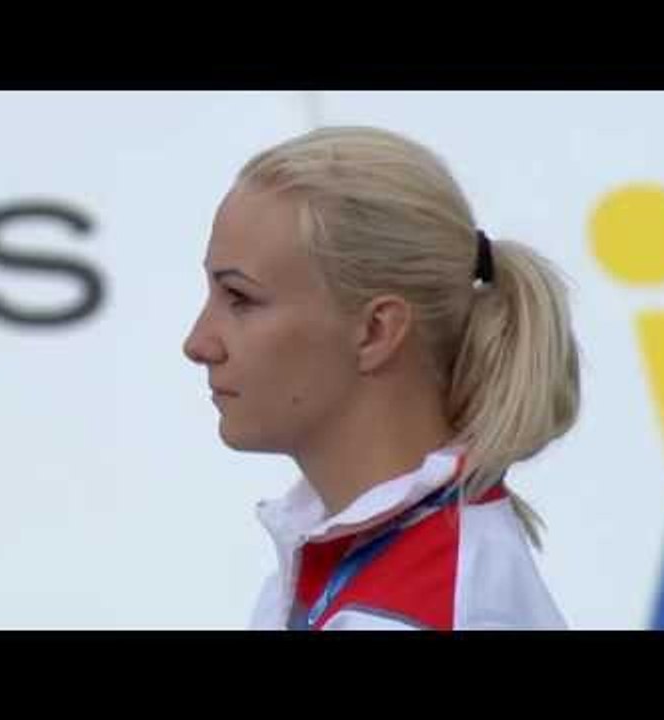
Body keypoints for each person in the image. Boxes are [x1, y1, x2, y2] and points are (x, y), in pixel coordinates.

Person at [182, 126, 580, 630]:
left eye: (240, 299)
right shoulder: (349, 563)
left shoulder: (427, 607)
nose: (198, 343)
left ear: (375, 331)